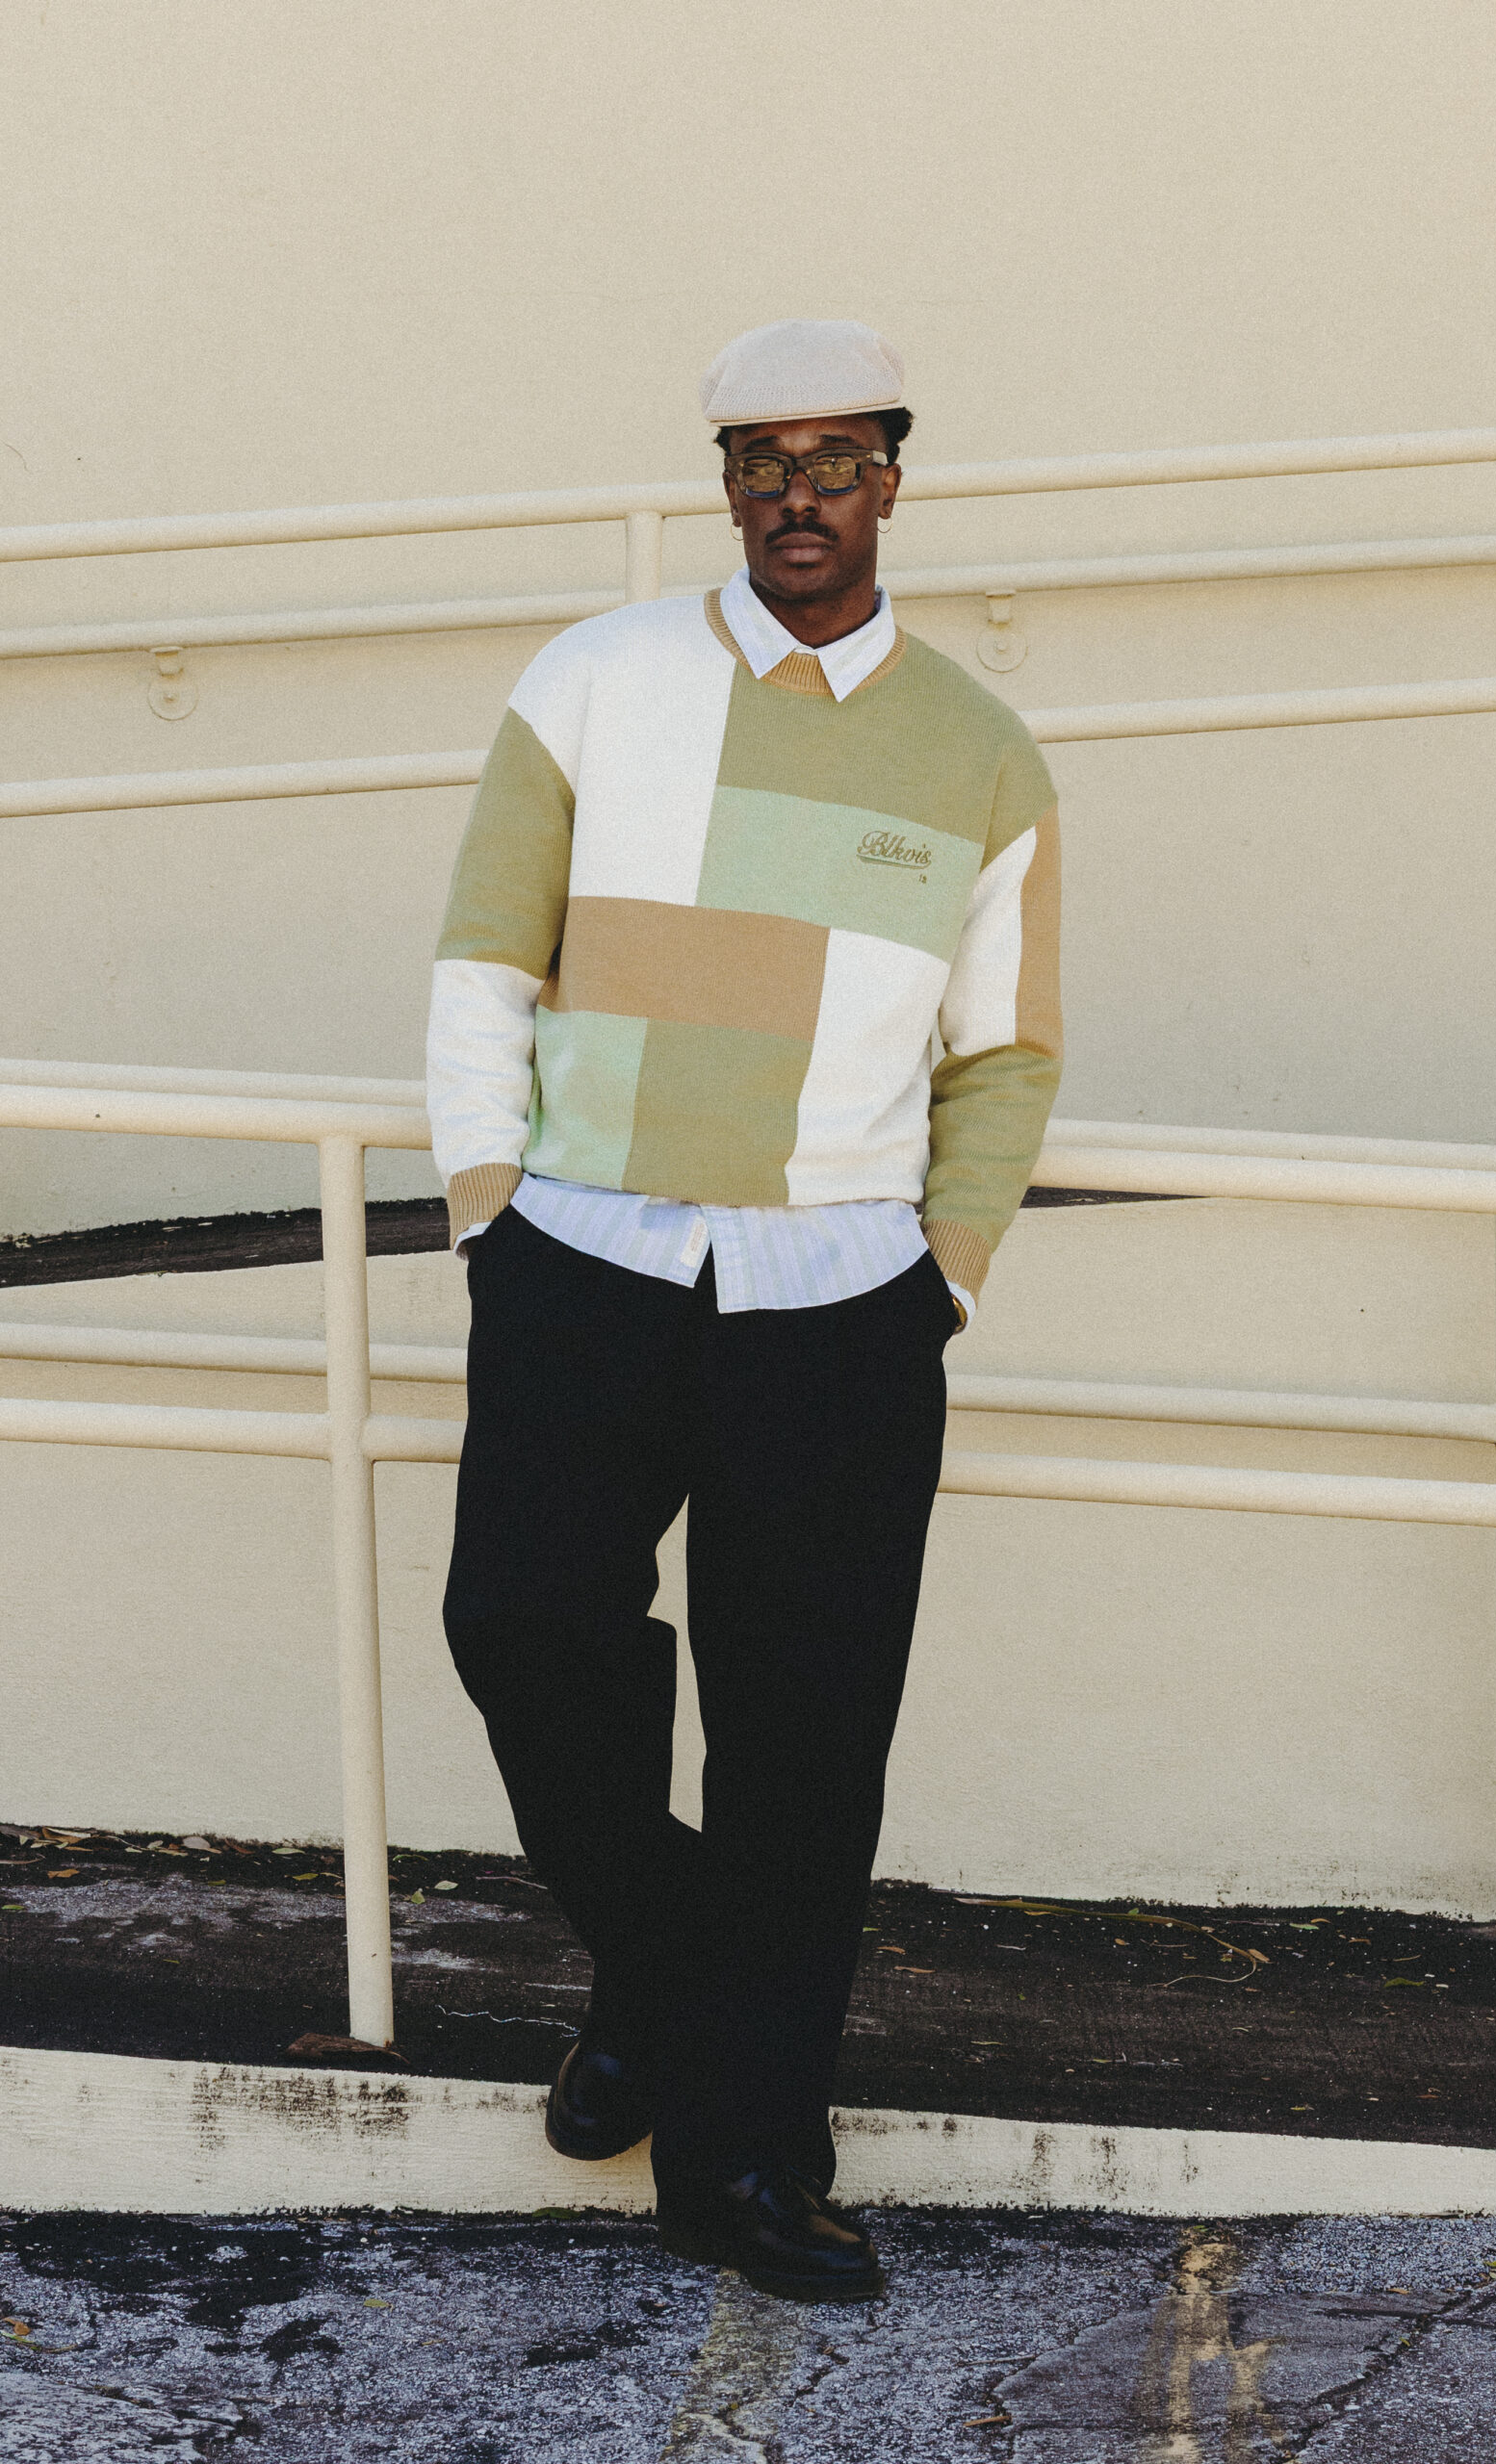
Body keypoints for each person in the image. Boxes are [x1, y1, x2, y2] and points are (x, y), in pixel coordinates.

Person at [426, 318, 1062, 2300]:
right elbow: (484, 959)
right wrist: (490, 1212)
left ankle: (745, 2156)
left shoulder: (980, 748)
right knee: (520, 1628)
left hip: (843, 1305)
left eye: (837, 459)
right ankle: (670, 1975)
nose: (800, 494)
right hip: (583, 1266)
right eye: (762, 462)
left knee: (803, 1750)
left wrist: (943, 1275)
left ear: (893, 480)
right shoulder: (593, 679)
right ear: (723, 487)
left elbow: (1005, 1050)